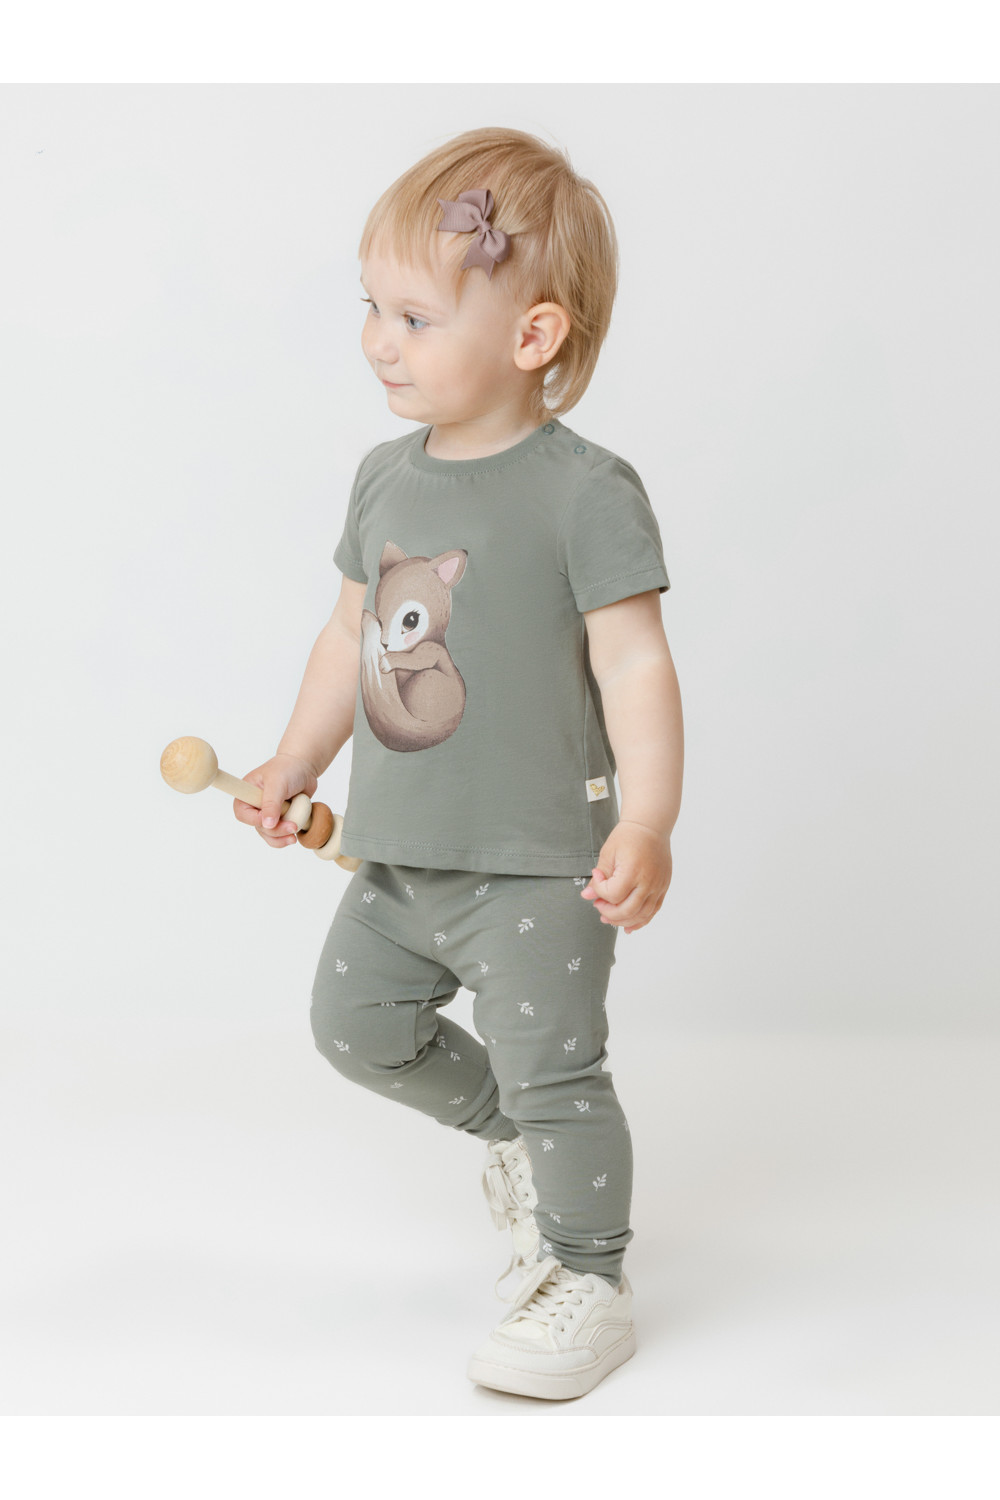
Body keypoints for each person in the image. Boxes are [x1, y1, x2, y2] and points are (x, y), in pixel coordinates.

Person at [233, 127, 684, 1401]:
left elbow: (635, 668)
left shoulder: (583, 491)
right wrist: (294, 758)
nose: (378, 341)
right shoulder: (385, 478)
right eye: (371, 308)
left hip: (539, 862)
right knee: (353, 1025)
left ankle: (589, 1276)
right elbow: (346, 636)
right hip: (399, 851)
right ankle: (518, 1144)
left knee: (559, 1072)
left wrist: (646, 822)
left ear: (532, 336)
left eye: (415, 318)